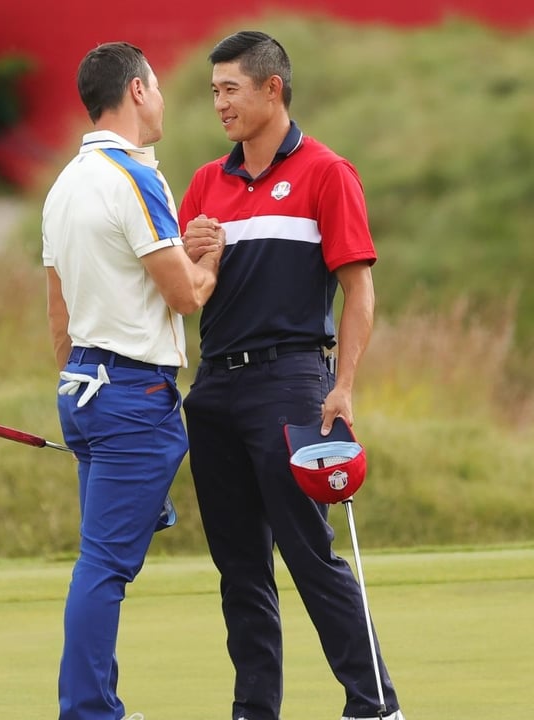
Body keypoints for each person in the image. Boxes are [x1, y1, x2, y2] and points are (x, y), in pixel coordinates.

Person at [177, 30, 405, 720]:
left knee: (309, 556)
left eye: (231, 90)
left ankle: (374, 706)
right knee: (240, 568)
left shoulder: (327, 172)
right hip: (215, 388)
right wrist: (195, 257)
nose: (219, 103)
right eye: (214, 91)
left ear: (272, 88)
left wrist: (345, 385)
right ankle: (255, 709)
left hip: (290, 379)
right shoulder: (205, 184)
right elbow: (187, 292)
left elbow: (358, 291)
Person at [41, 42, 221, 720]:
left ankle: (99, 702)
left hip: (83, 385)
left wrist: (75, 384)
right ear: (140, 89)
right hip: (131, 393)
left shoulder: (65, 184)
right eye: (160, 86)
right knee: (106, 567)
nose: (164, 98)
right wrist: (215, 258)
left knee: (104, 558)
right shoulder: (133, 175)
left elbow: (58, 309)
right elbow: (184, 295)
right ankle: (88, 711)